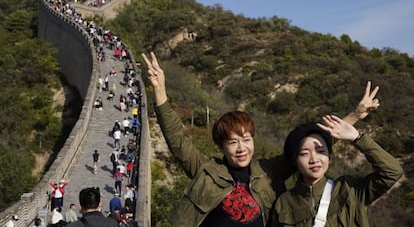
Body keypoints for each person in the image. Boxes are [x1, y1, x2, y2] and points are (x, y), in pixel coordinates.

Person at [141, 52, 379, 227]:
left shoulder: (268, 171)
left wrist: (355, 116)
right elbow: (177, 141)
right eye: (232, 142)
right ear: (222, 146)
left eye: (246, 139)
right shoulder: (206, 170)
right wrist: (160, 90)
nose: (241, 148)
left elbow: (312, 145)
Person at [271, 111, 403, 226]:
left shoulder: (349, 189)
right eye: (304, 153)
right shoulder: (284, 203)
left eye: (321, 151)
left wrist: (357, 138)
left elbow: (391, 172)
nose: (314, 159)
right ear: (295, 160)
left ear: (329, 155)